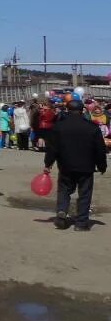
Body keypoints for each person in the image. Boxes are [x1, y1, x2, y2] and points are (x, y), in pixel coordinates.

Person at [44, 99, 107, 231]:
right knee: (84, 194)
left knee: (64, 190)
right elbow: (99, 149)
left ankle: (62, 211)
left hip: (65, 165)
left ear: (67, 110)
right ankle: (81, 223)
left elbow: (52, 148)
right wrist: (102, 166)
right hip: (86, 167)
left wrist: (48, 163)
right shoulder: (92, 127)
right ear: (82, 110)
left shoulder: (59, 127)